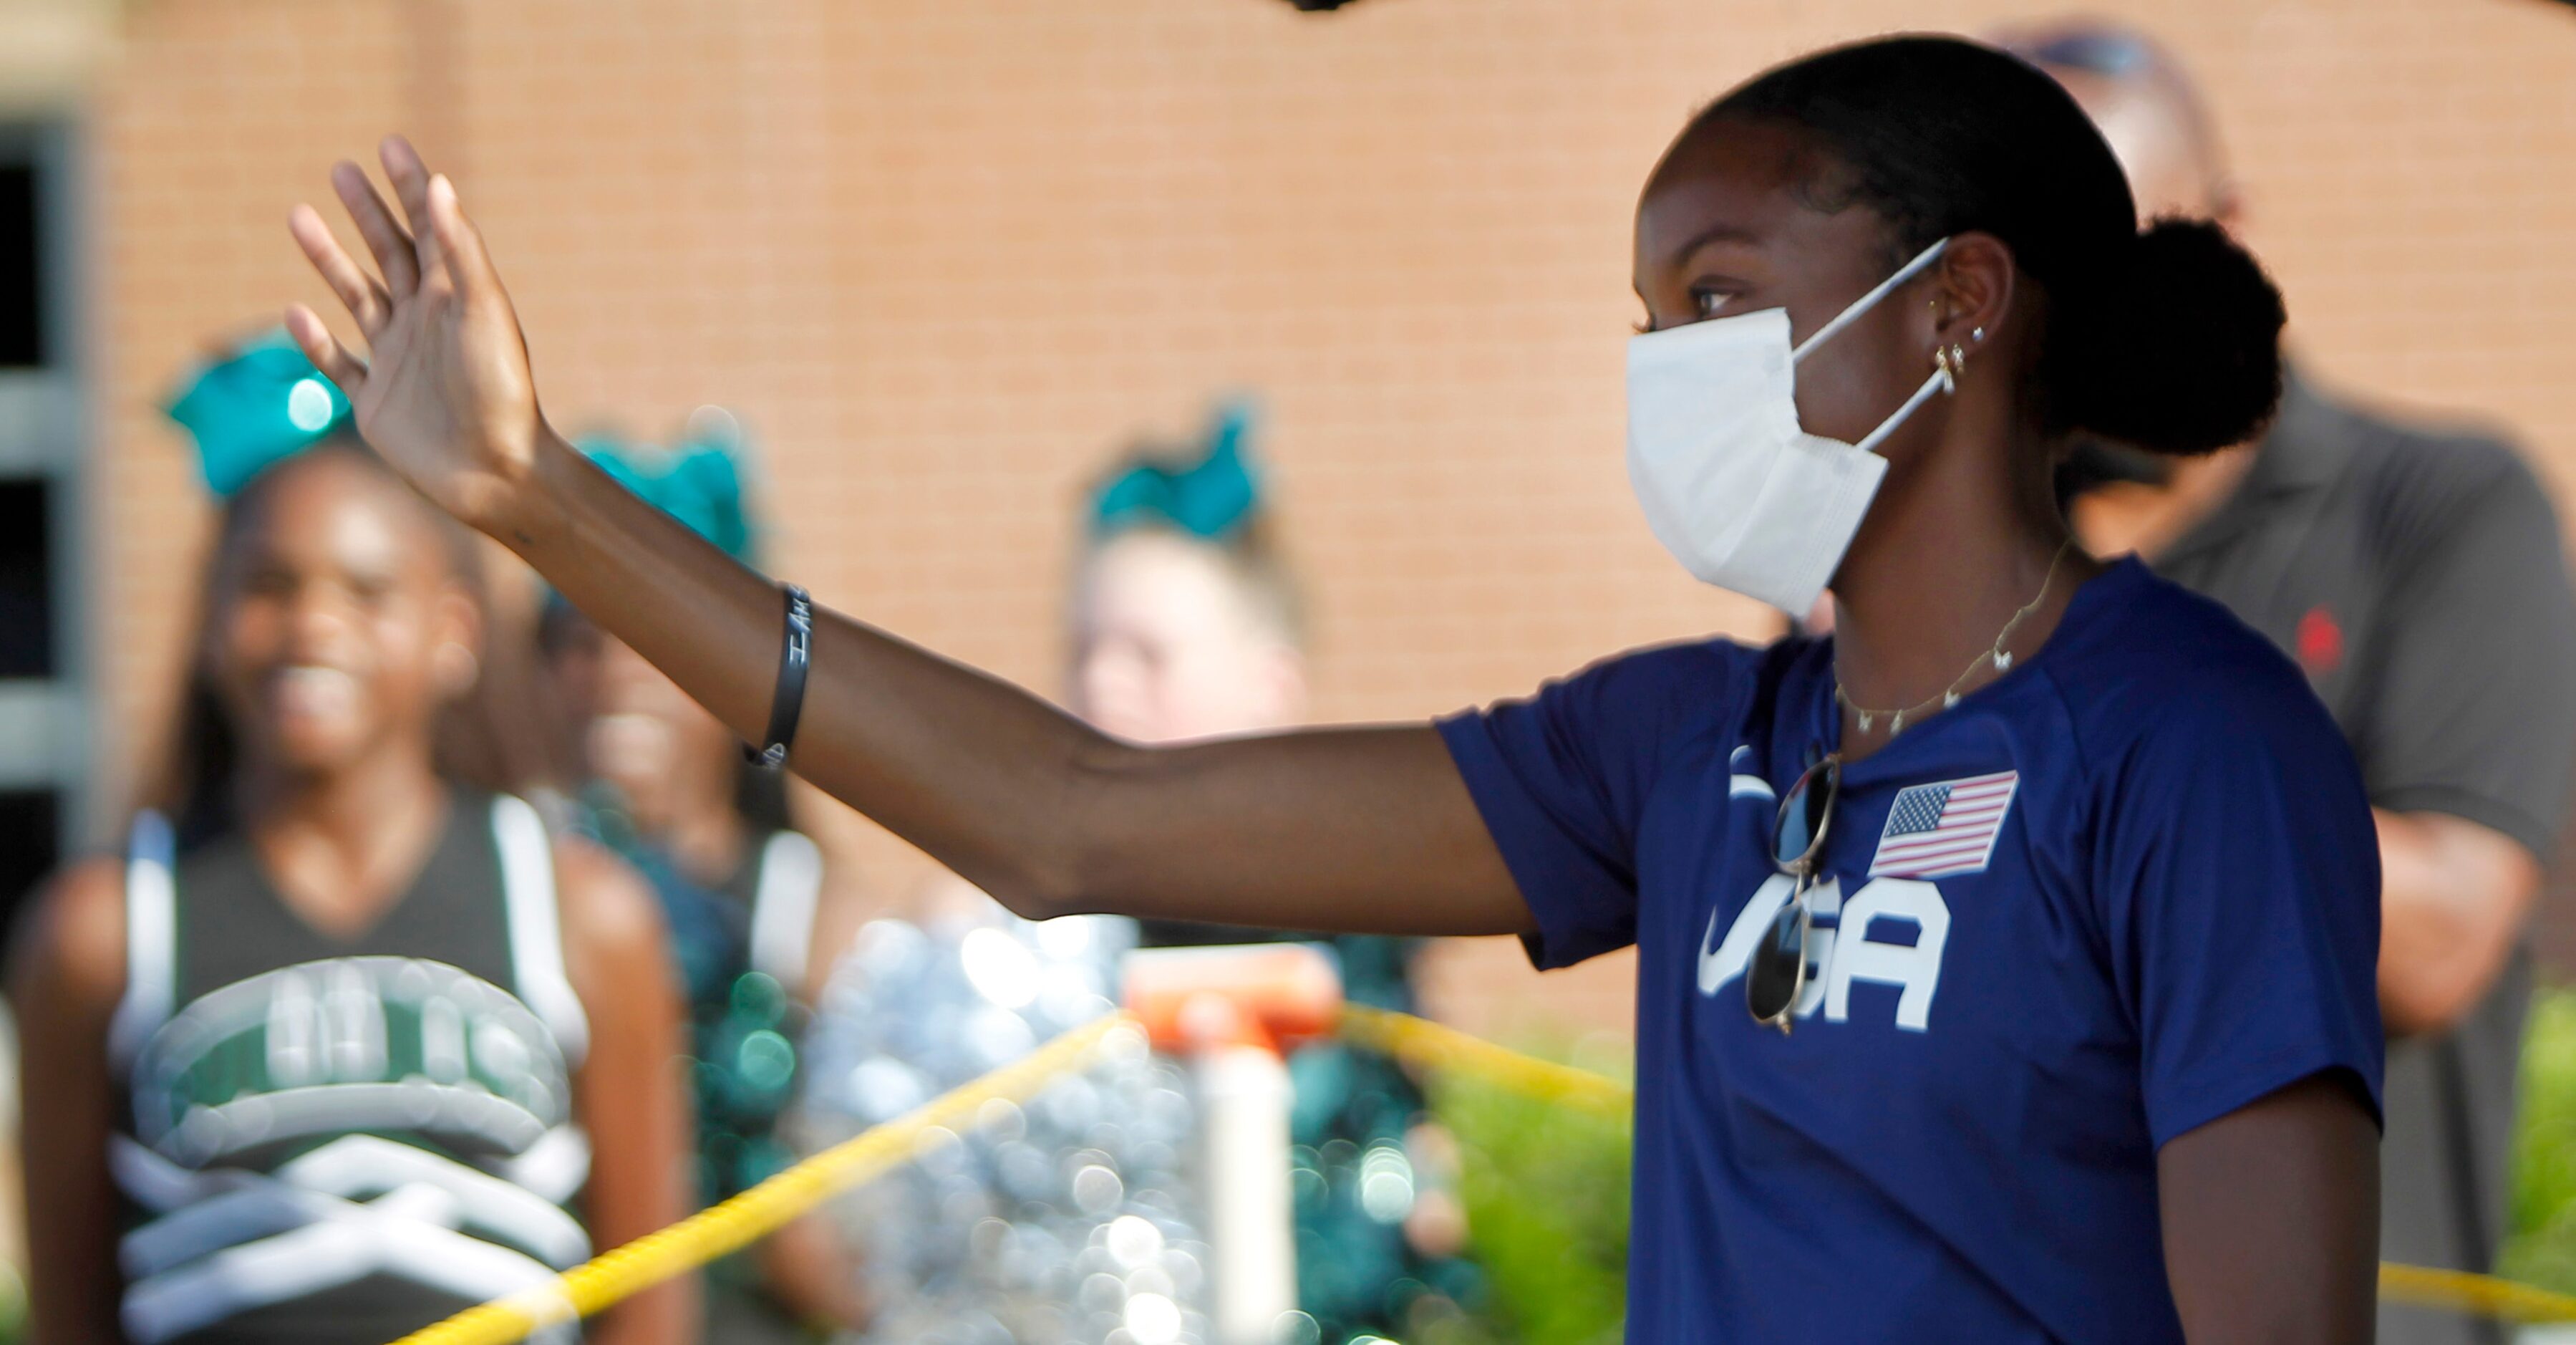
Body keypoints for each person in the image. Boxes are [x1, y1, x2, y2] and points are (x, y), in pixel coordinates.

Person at [284, 33, 2386, 1340]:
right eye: (1648, 312)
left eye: (1723, 296)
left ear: (1960, 306)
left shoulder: (2189, 739)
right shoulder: (1681, 743)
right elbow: (1076, 817)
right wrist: (532, 495)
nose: (1669, 367)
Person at [1998, 22, 2576, 1344]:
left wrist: (2036, 715)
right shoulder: (1929, 568)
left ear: (2227, 232)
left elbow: (2436, 942)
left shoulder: (2435, 509)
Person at [6, 334, 695, 1344]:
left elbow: (651, 1305)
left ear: (453, 630)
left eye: (366, 591)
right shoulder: (101, 933)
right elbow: (71, 1315)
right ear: (206, 620)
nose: (311, 627)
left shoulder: (581, 912)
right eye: (268, 587)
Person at [1071, 402, 1478, 1340]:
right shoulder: (1037, 940)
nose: (1102, 682)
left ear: (1270, 680)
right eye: (1082, 648)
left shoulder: (1357, 906)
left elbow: (1417, 1170)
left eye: (1146, 652)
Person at [537, 423, 868, 1342]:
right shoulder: (507, 884)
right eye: (578, 643)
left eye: (651, 641)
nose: (612, 676)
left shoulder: (816, 914)